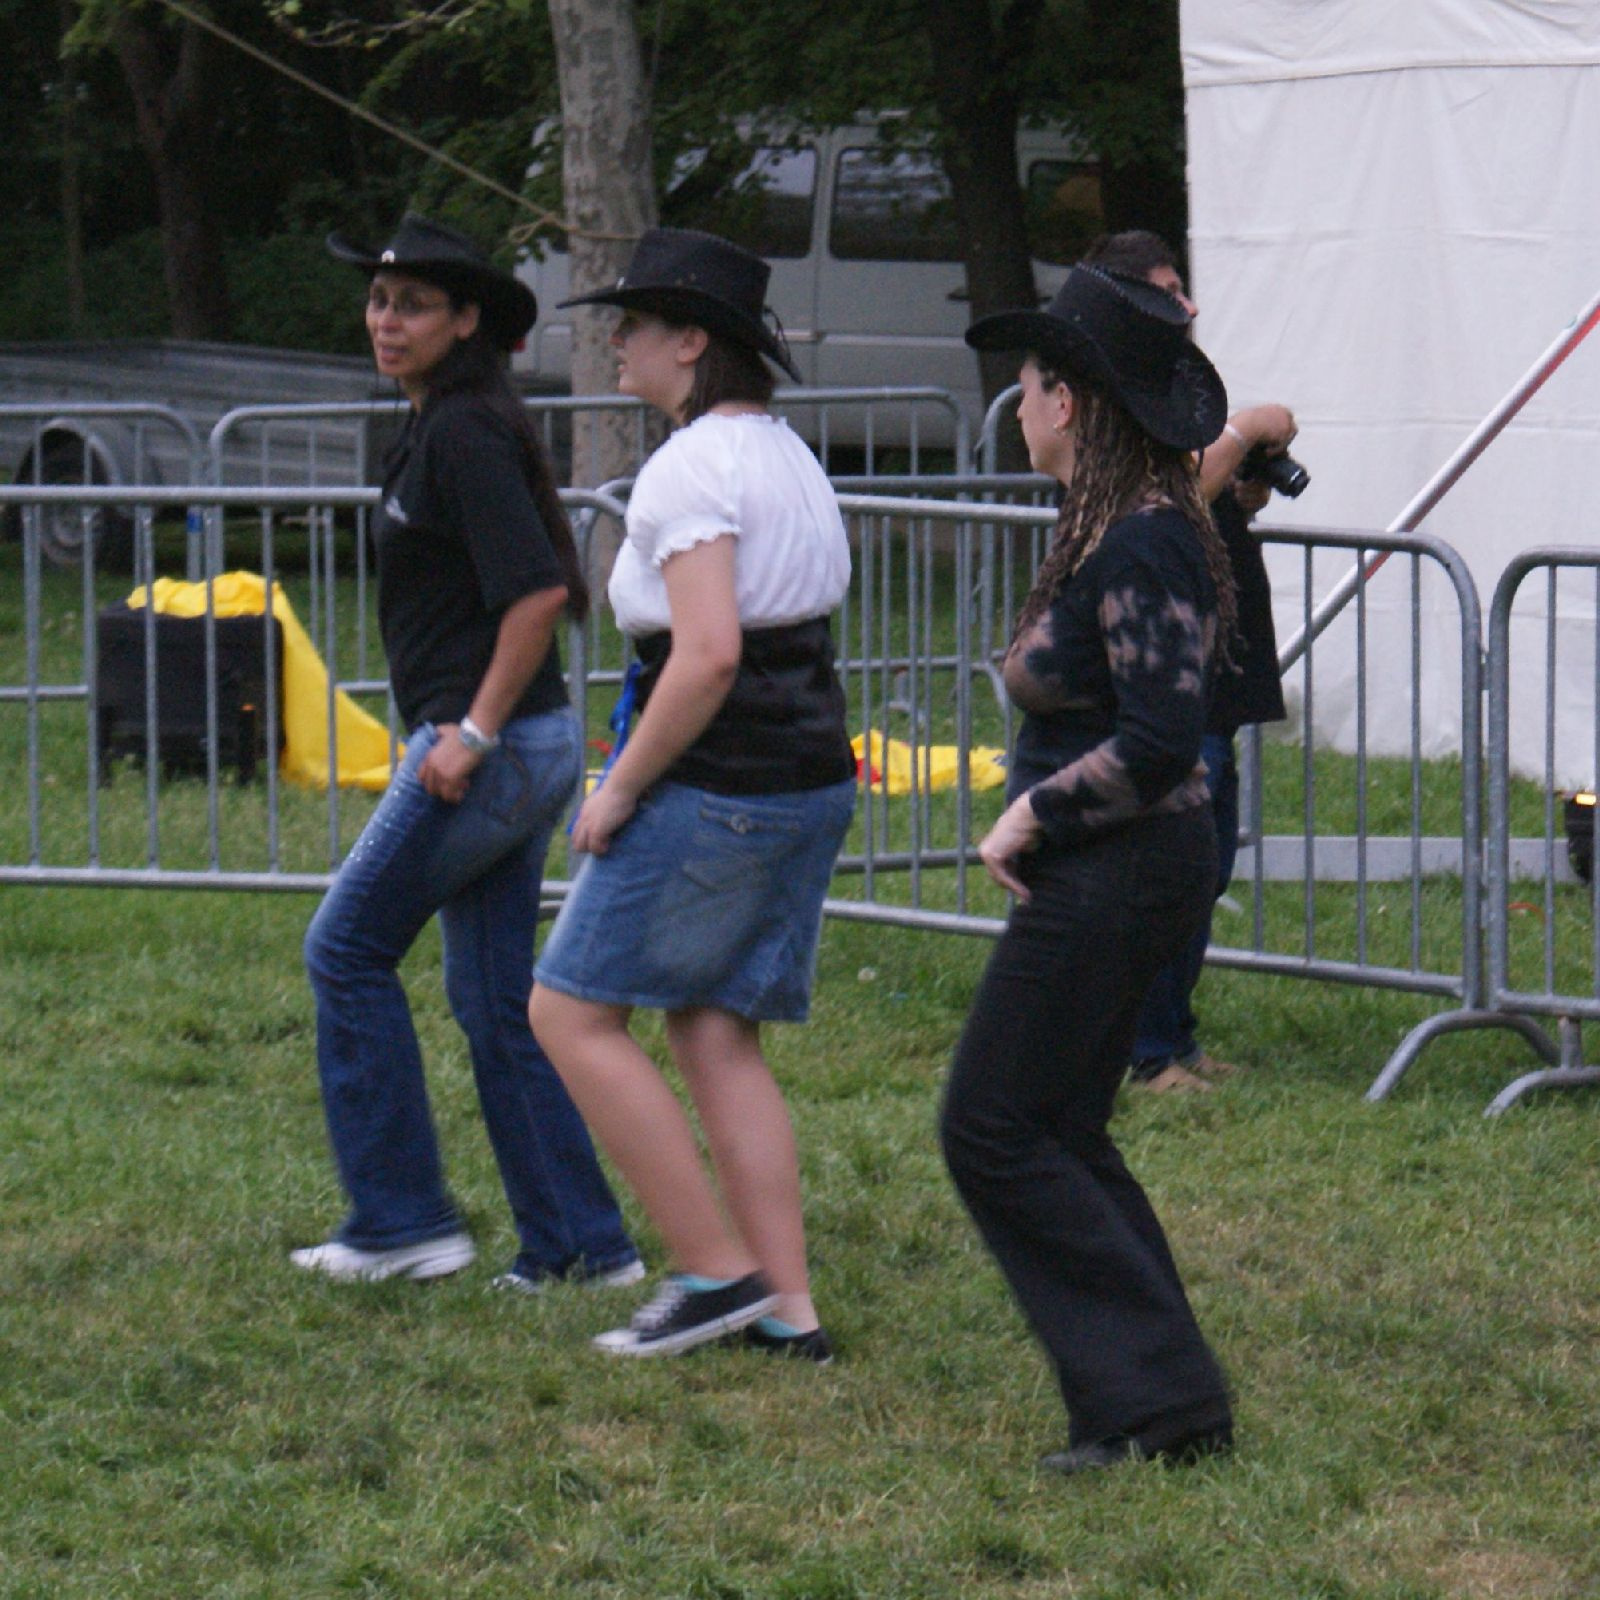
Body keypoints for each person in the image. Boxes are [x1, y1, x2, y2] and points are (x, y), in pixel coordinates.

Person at [292, 213, 641, 1290]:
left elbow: (539, 590)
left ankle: (401, 1223)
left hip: (489, 748)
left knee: (344, 950)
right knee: (498, 1002)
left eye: (413, 305)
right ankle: (584, 1246)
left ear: (466, 320)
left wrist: (474, 732)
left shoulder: (466, 433)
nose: (387, 321)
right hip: (508, 746)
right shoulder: (438, 421)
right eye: (379, 301)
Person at [528, 227, 856, 1361]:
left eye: (633, 324)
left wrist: (619, 786)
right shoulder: (785, 453)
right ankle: (785, 1307)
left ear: (692, 341)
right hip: (807, 774)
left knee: (568, 1010)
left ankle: (714, 1272)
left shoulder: (687, 465)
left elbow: (707, 653)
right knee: (717, 1030)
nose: (615, 341)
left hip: (718, 780)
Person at [940, 264, 1239, 1472]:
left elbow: (1162, 740)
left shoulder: (1147, 543)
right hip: (1118, 864)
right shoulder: (1117, 530)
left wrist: (1030, 816)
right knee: (1056, 1120)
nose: (1013, 405)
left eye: (1025, 384)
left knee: (994, 1125)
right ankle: (1164, 1393)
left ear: (1067, 401)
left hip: (1120, 863)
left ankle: (1158, 1401)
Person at [1080, 230, 1294, 1094]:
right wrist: (1242, 434)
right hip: (1163, 659)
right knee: (1173, 861)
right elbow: (1159, 497)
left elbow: (1199, 498)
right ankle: (1145, 1048)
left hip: (1214, 652)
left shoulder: (1175, 381)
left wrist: (1243, 480)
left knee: (1207, 859)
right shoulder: (1103, 391)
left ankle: (1174, 1034)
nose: (1190, 306)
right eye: (1169, 290)